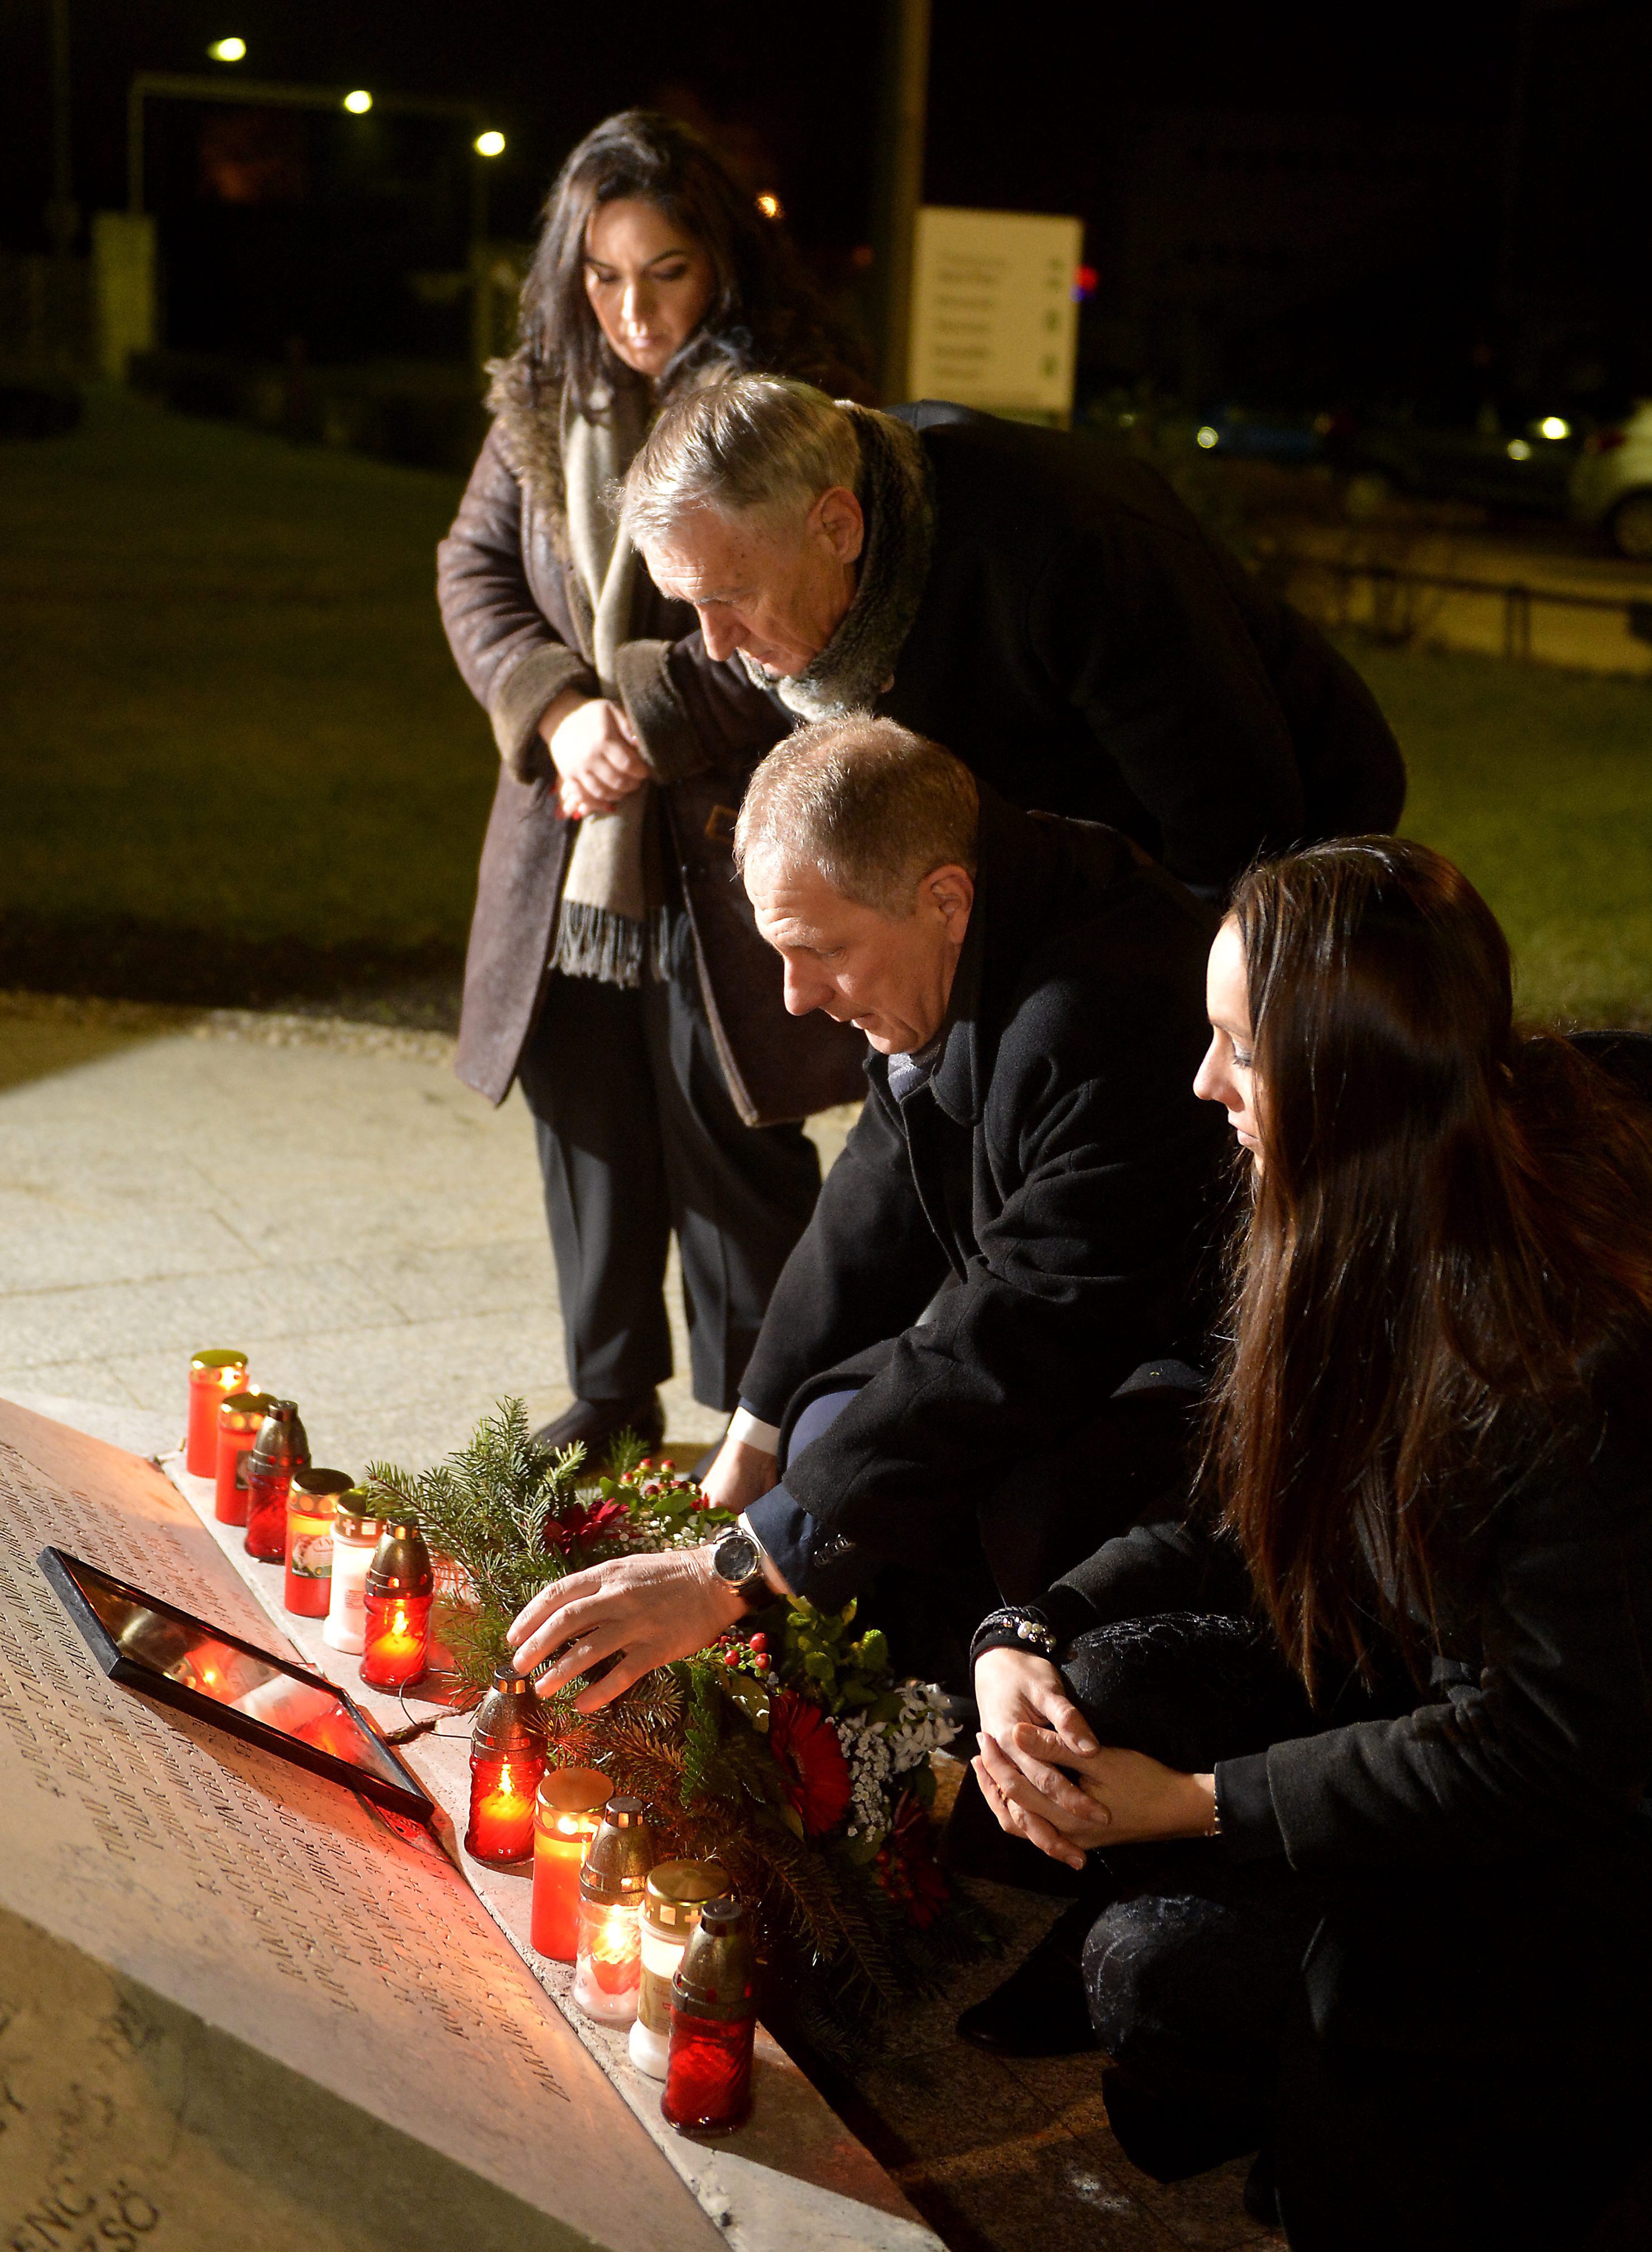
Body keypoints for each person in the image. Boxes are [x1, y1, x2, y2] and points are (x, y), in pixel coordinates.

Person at [970, 838, 1652, 2248]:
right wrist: (1019, 1632)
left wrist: (1201, 1805)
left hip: (1569, 1857)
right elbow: (1238, 1514)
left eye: (1239, 1050)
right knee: (1106, 1679)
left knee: (1158, 1968)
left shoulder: (1552, 1350)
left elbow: (1545, 1747)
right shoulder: (1354, 1207)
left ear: (1350, 1075)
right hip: (1408, 1704)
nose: (1203, 1083)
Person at [507, 717, 1230, 1706]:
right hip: (1055, 1329)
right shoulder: (947, 924)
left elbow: (1026, 1324)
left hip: (1192, 1384)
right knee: (816, 1432)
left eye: (819, 952)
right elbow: (878, 1181)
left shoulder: (1102, 1007)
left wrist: (736, 1569)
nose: (797, 999)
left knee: (933, 1507)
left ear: (945, 900)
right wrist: (751, 1437)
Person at [437, 113, 869, 1461]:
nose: (633, 311)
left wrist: (642, 709)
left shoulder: (791, 402)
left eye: (666, 272)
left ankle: (770, 1419)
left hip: (726, 831)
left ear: (723, 262)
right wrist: (558, 711)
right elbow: (474, 574)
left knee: (730, 1121)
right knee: (586, 1114)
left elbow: (812, 612)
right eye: (606, 277)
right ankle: (607, 1393)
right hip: (569, 838)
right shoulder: (538, 405)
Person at [607, 375, 1406, 919]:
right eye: (691, 605)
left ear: (839, 527)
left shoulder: (1060, 549)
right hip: (1083, 839)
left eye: (730, 598)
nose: (716, 645)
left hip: (1286, 831)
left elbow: (1236, 827)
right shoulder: (808, 567)